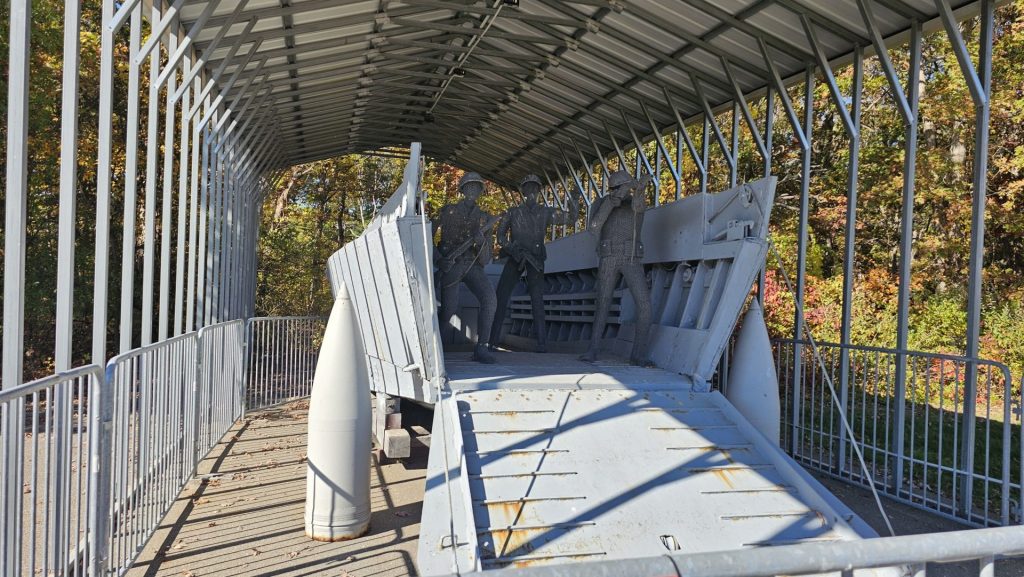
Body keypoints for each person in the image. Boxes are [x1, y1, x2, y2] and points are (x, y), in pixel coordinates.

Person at [579, 169, 653, 366]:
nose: (624, 192)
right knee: (602, 304)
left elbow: (639, 208)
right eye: (621, 188)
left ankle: (638, 354)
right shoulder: (602, 203)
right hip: (609, 257)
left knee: (644, 305)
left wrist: (639, 190)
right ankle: (593, 349)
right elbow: (594, 227)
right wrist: (610, 203)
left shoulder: (635, 202)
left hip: (631, 258)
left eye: (626, 187)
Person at [489, 174, 558, 353]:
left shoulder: (545, 212)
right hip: (515, 258)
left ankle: (542, 343)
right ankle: (491, 341)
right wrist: (513, 249)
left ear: (539, 190)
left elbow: (568, 219)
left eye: (535, 188)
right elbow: (501, 236)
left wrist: (574, 199)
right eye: (529, 187)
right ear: (524, 190)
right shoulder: (513, 212)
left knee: (537, 299)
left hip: (535, 259)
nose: (532, 191)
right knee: (501, 297)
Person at [435, 172, 499, 363]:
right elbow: (425, 237)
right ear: (462, 189)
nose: (472, 190)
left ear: (481, 191)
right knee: (449, 309)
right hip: (451, 265)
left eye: (477, 187)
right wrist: (439, 260)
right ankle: (435, 346)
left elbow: (486, 259)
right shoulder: (447, 211)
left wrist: (480, 243)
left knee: (490, 299)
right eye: (469, 186)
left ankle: (482, 347)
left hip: (472, 265)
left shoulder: (485, 219)